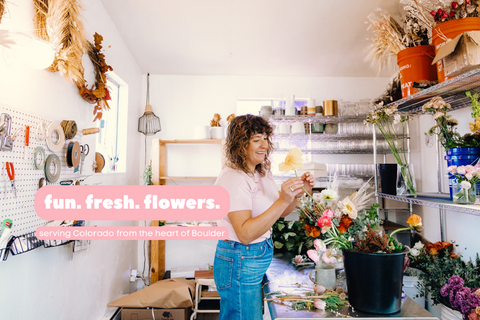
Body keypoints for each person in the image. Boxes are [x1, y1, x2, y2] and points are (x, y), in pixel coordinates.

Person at [213, 114, 315, 320]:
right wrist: (282, 200)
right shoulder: (233, 178)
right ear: (240, 144)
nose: (264, 145)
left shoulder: (262, 171)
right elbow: (245, 234)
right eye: (256, 140)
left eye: (266, 138)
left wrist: (298, 192)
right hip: (239, 257)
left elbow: (280, 212)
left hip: (254, 255)